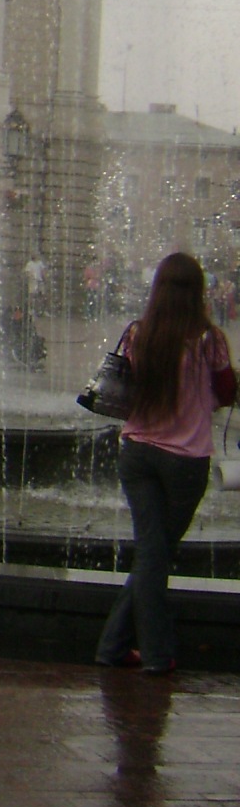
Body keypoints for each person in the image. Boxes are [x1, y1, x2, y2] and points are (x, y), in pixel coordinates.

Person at [96, 253, 236, 677]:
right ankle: (156, 654)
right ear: (198, 292)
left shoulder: (138, 333)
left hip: (136, 454)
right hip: (185, 460)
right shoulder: (209, 340)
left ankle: (113, 647)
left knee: (152, 552)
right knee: (156, 553)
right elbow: (227, 392)